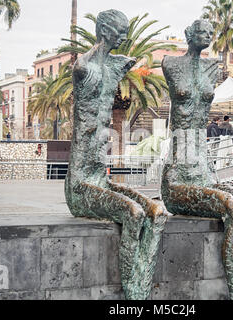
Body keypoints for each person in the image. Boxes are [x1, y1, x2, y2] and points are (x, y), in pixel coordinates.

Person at [64, 9, 167, 300]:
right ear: (105, 30)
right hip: (82, 184)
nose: (125, 37)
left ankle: (142, 281)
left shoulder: (117, 66)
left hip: (100, 177)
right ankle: (132, 293)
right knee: (134, 212)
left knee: (157, 212)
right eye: (121, 31)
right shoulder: (83, 67)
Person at [161, 19, 233, 300]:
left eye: (210, 33)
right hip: (178, 173)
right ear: (189, 34)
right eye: (201, 31)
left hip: (203, 168)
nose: (207, 36)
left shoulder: (211, 68)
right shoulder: (170, 64)